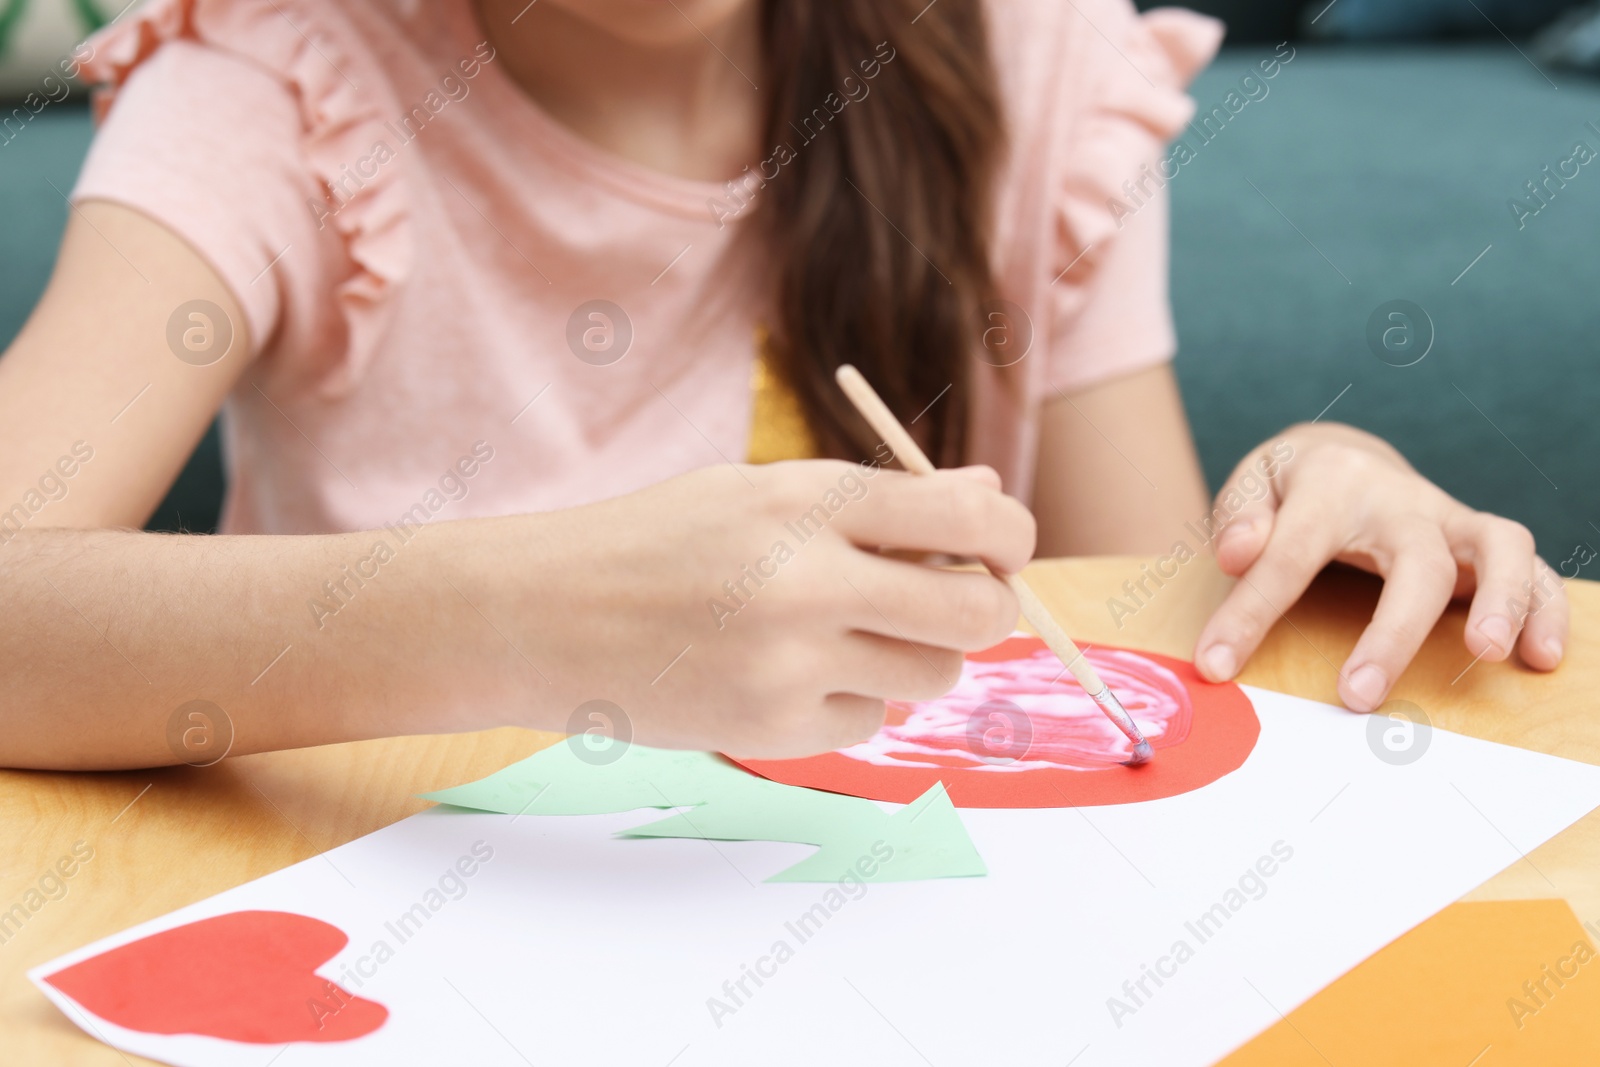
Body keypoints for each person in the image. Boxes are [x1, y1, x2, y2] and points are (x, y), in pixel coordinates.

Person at [0, 0, 1563, 770]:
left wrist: (1310, 502)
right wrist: (515, 618)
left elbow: (1137, 650)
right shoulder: (280, 79)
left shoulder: (1030, 68)